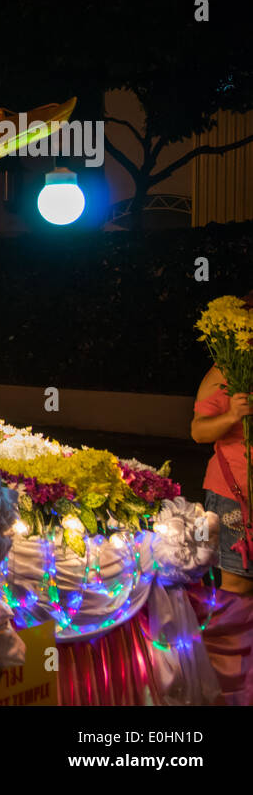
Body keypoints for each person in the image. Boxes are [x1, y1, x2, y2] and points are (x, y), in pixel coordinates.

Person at [190, 288, 253, 704]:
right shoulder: (226, 372)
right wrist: (233, 415)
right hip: (234, 497)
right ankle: (231, 689)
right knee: (237, 589)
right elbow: (198, 431)